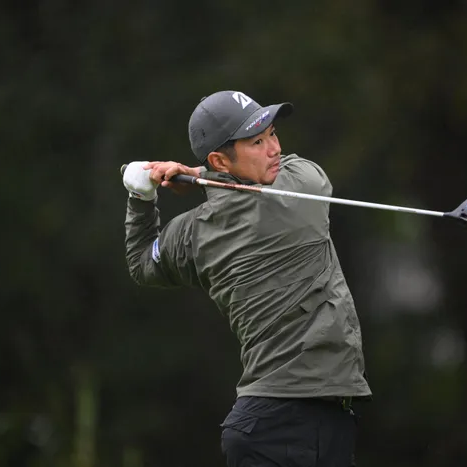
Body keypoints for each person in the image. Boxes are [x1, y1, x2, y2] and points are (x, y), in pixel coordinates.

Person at [122, 90, 372, 467]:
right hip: (290, 422)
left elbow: (142, 261)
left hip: (277, 423)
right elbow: (301, 171)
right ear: (220, 159)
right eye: (257, 142)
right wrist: (201, 177)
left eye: (272, 134)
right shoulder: (299, 193)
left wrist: (141, 197)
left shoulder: (193, 233)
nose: (274, 148)